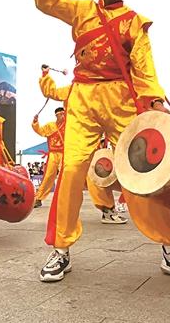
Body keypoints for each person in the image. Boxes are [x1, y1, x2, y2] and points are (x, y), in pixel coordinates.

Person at [31, 0, 170, 284]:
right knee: (72, 170)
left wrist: (155, 100)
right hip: (82, 97)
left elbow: (144, 66)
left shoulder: (134, 22)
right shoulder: (81, 10)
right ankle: (61, 249)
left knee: (142, 169)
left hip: (121, 98)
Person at [38, 68, 127, 223]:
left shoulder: (109, 86)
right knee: (70, 178)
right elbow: (52, 92)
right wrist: (46, 75)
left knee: (98, 177)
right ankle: (62, 217)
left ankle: (108, 210)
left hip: (94, 142)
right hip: (77, 143)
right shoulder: (75, 88)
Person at [32, 107, 66, 208]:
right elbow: (40, 131)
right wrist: (35, 122)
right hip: (53, 154)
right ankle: (39, 198)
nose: (62, 116)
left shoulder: (69, 126)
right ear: (56, 115)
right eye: (60, 114)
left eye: (63, 114)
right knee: (48, 176)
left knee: (65, 176)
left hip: (65, 153)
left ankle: (65, 199)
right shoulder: (50, 126)